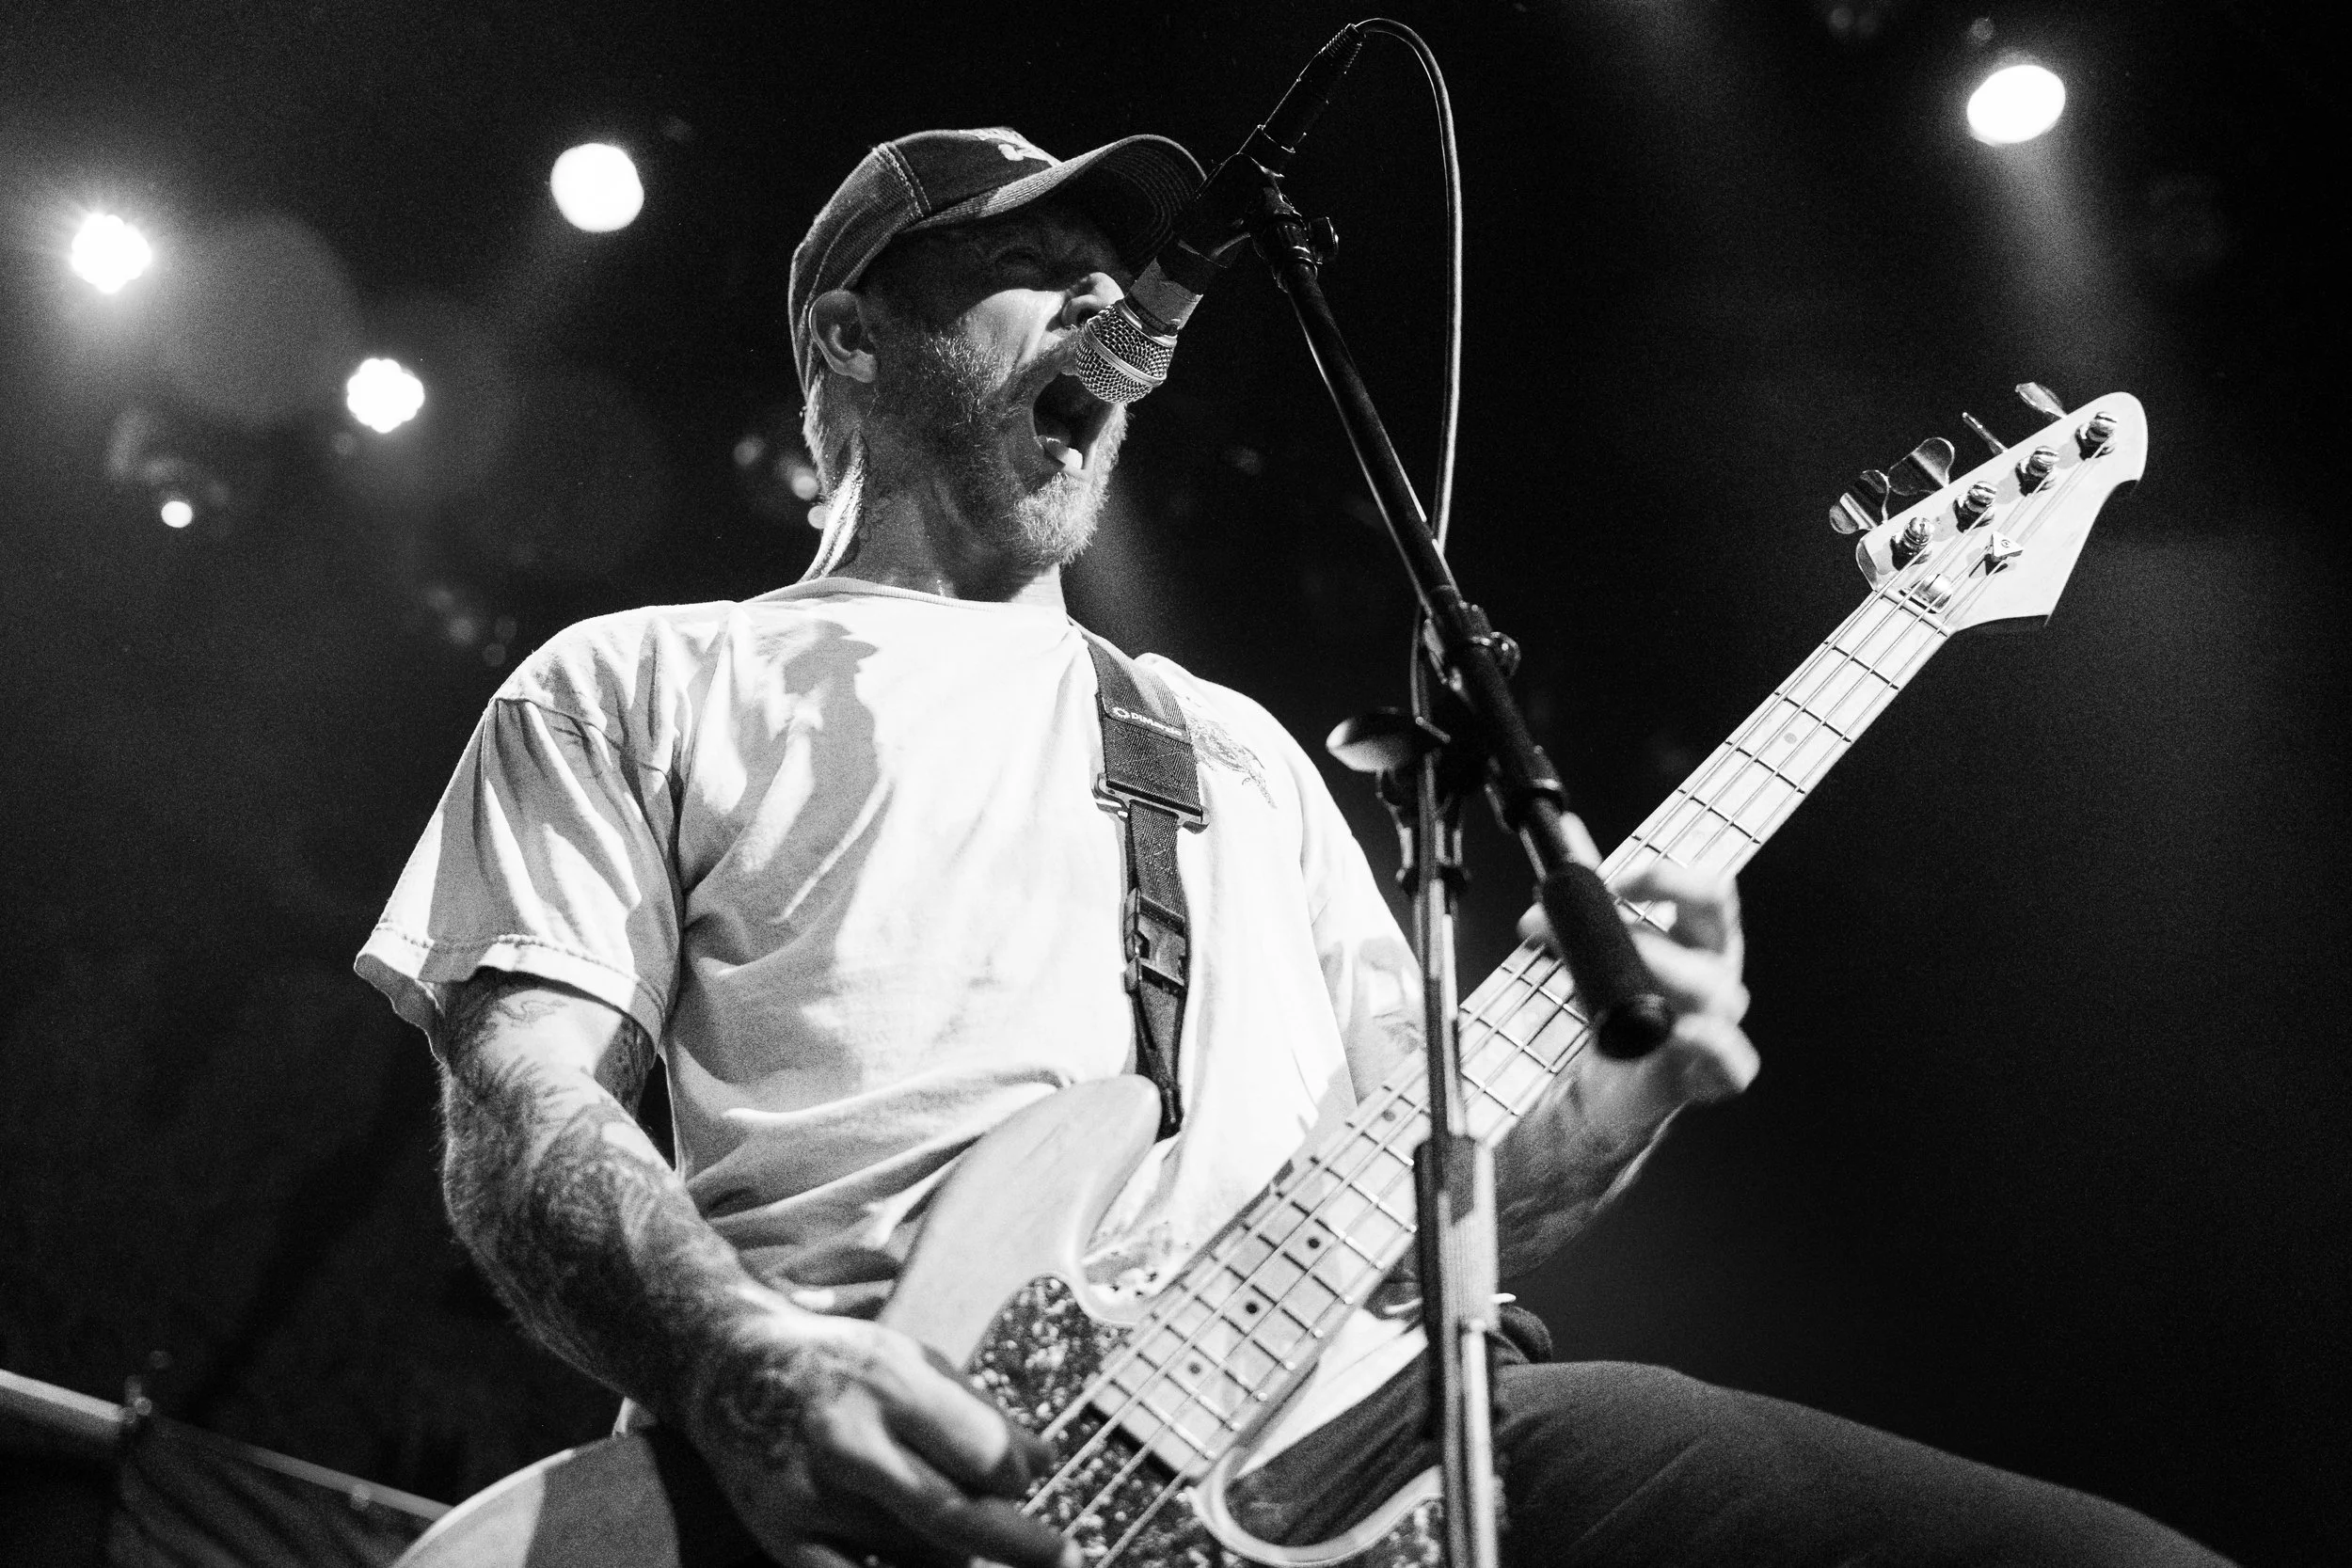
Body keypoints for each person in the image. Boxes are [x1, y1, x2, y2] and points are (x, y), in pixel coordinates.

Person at [358, 127, 2229, 1567]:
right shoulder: (648, 676)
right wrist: (735, 1364)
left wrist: (1621, 1082)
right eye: (1032, 270)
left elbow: (1408, 1218)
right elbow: (526, 1110)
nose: (1103, 311)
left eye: (1115, 275)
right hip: (904, 1476)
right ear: (851, 334)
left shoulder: (1227, 748)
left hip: (1355, 1429)